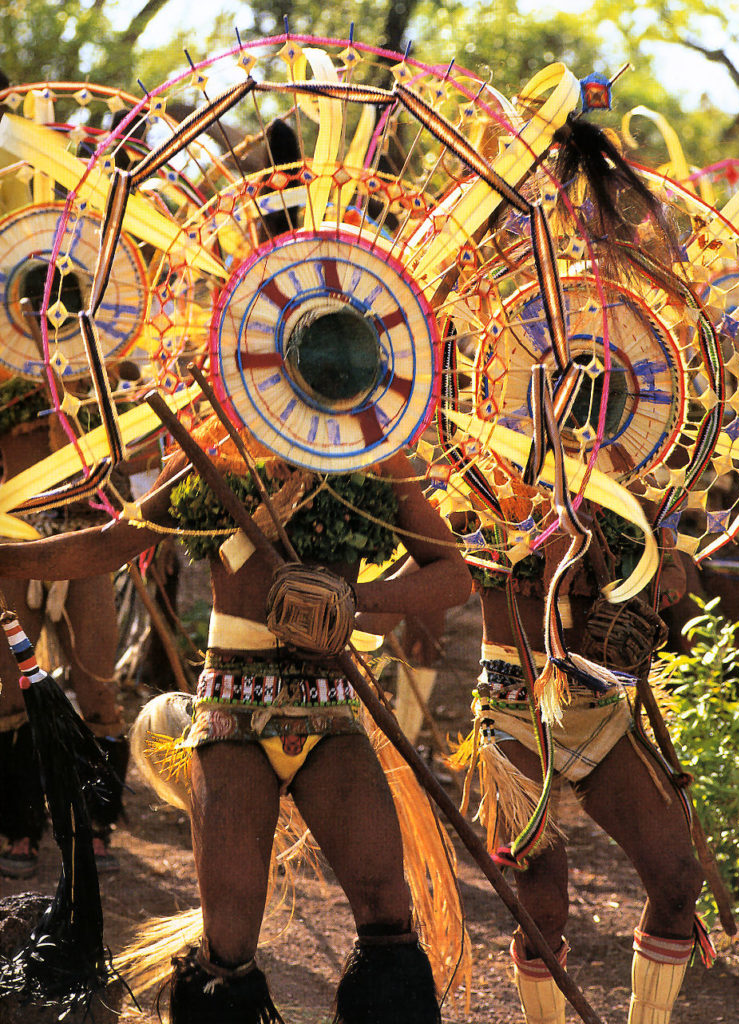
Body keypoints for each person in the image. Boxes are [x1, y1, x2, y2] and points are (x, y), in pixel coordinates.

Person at [0, 420, 472, 1023]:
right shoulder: (214, 446)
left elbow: (451, 575)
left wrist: (355, 601)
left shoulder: (374, 450)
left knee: (387, 911)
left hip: (329, 696)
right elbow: (106, 543)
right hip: (231, 702)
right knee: (229, 940)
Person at [453, 503, 707, 1024]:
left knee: (678, 881)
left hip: (600, 705)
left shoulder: (630, 467)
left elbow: (675, 568)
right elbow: (436, 564)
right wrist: (362, 608)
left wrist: (659, 574)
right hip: (512, 705)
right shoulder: (486, 468)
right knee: (543, 905)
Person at [0, 372, 132, 876]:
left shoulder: (100, 371)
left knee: (98, 685)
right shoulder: (5, 376)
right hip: (17, 542)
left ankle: (95, 824)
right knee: (11, 692)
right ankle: (20, 826)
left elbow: (135, 455)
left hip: (86, 544)